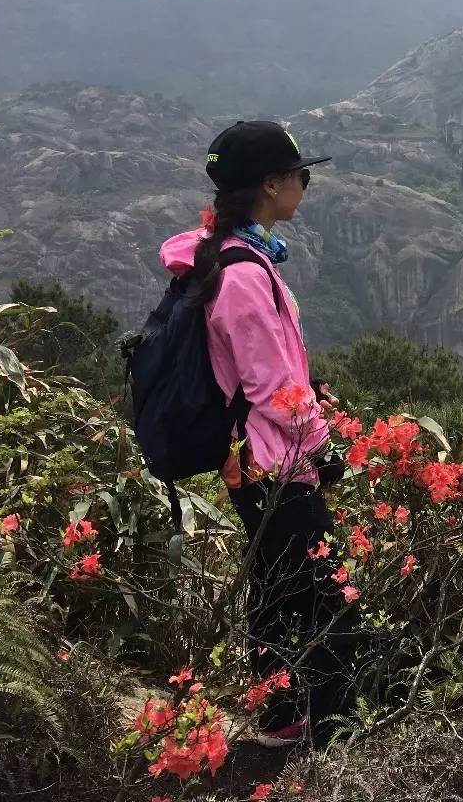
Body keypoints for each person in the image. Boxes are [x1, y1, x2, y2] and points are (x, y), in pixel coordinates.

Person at [158, 120, 353, 749]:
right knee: (330, 599)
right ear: (271, 184)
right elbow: (274, 391)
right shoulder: (242, 275)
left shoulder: (241, 255)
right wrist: (325, 446)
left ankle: (278, 720)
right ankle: (333, 735)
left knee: (277, 586)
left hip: (261, 460)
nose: (305, 183)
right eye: (301, 174)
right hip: (275, 462)